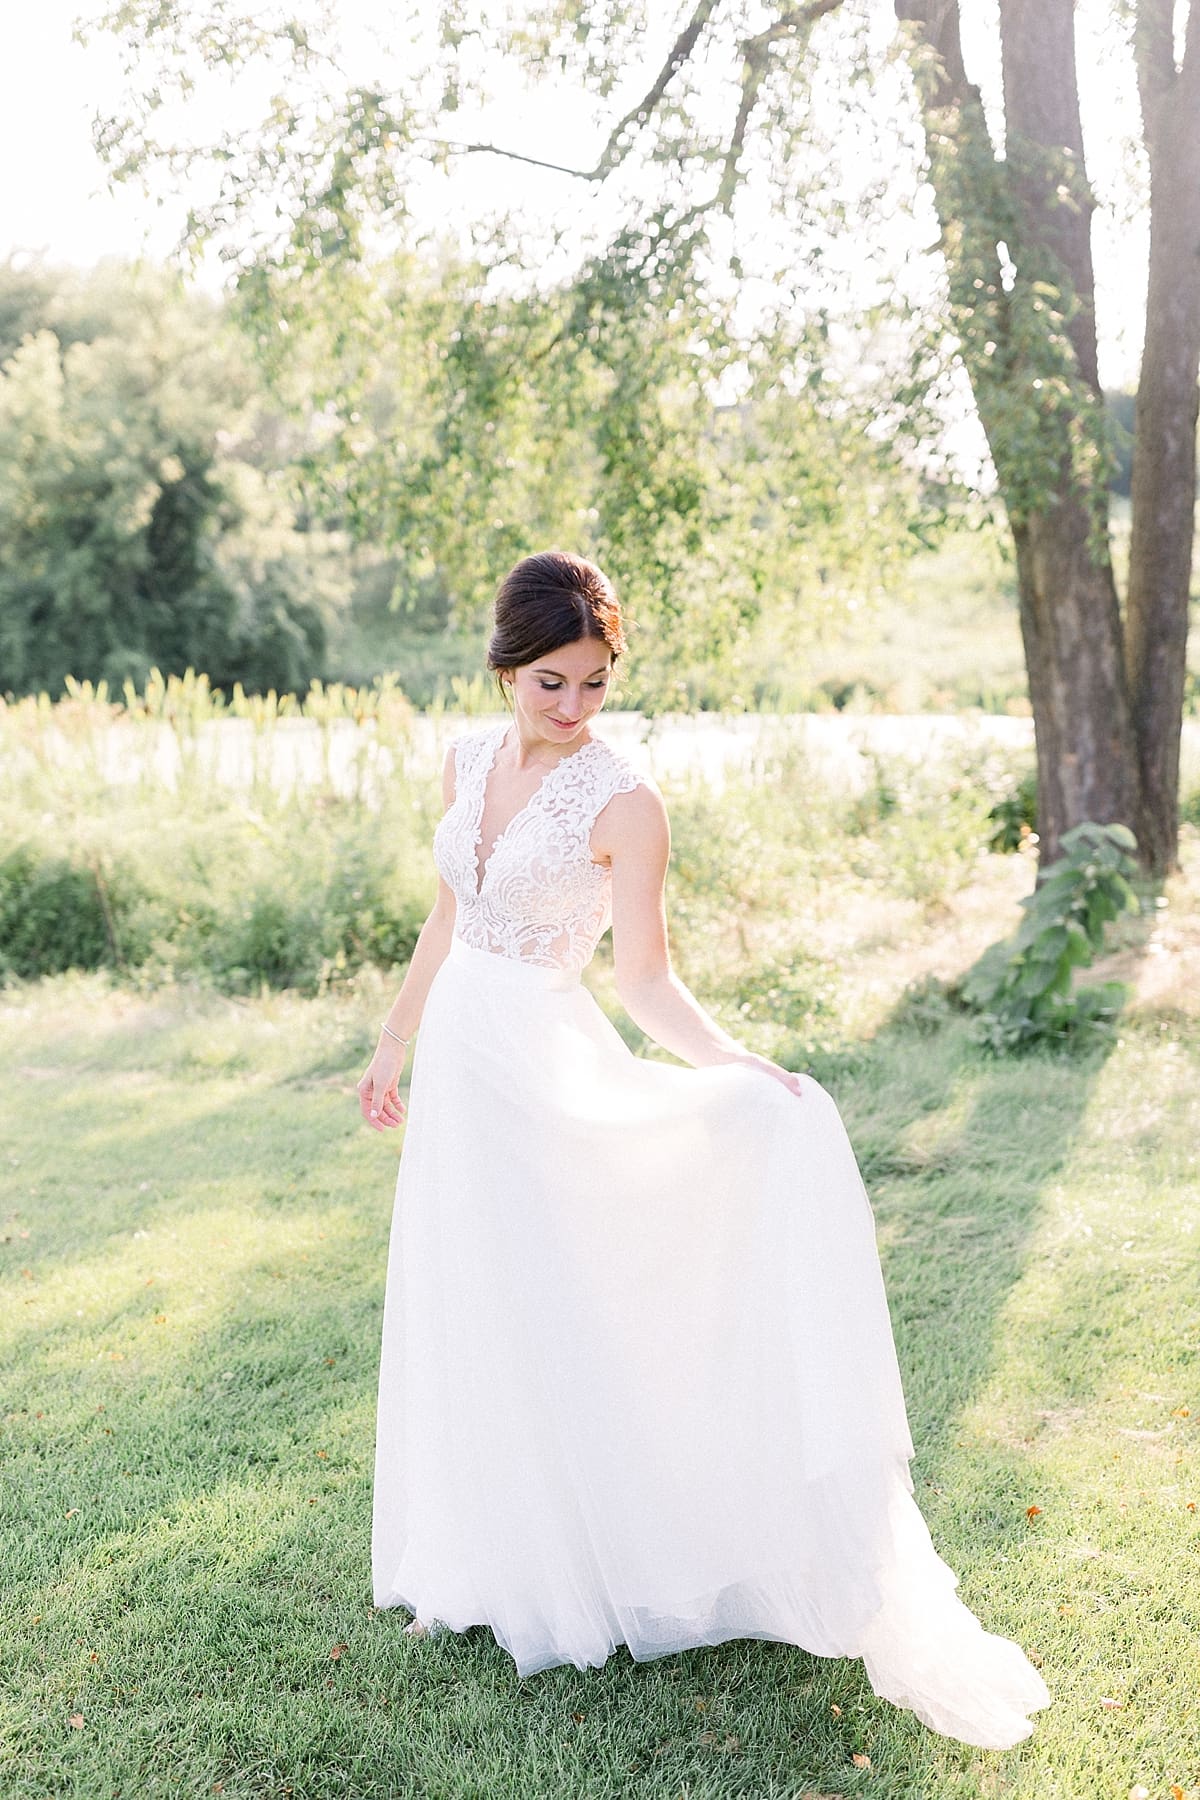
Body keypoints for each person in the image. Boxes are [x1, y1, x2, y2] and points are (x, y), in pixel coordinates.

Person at [357, 549, 1050, 1748]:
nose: (574, 706)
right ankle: (481, 1565)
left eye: (595, 682)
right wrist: (392, 1039)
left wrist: (735, 1067)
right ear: (506, 668)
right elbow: (448, 913)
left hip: (543, 1072)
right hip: (462, 1068)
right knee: (467, 1301)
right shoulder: (467, 761)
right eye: (552, 683)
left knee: (557, 1308)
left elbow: (644, 978)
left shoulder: (625, 801)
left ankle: (601, 1563)